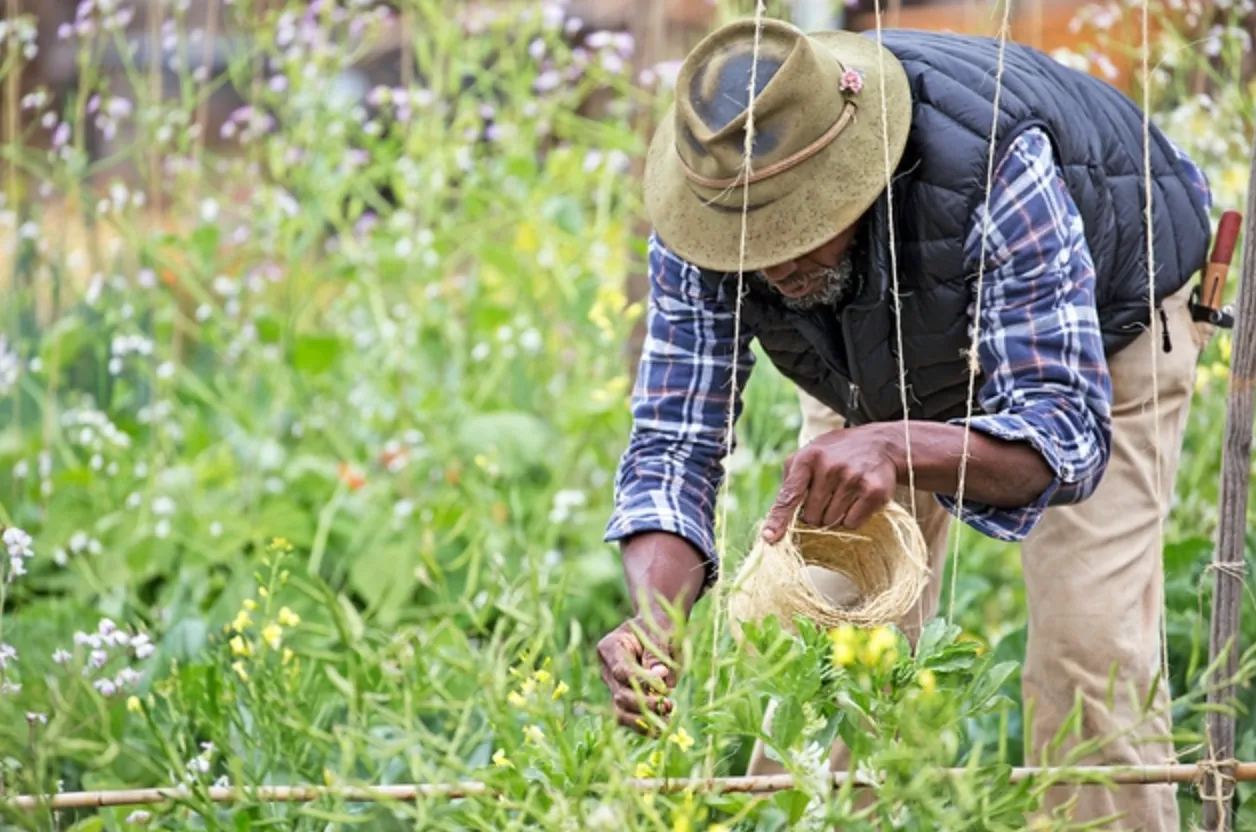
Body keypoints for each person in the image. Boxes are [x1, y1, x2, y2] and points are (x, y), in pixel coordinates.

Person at [597, 17, 1217, 832]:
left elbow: (1063, 437)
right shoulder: (708, 212)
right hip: (868, 345)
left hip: (1104, 322)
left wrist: (891, 444)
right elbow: (677, 440)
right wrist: (656, 623)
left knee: (1088, 652)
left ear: (858, 171)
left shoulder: (996, 163)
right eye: (754, 244)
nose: (776, 261)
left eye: (801, 225)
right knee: (819, 625)